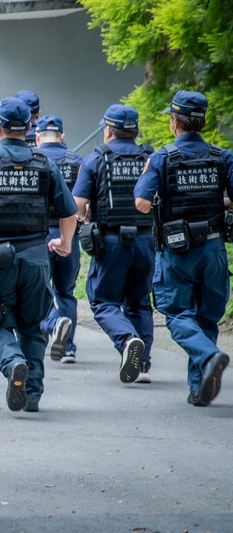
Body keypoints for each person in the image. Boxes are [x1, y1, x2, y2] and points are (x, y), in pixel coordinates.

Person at [0, 97, 77, 412]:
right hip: (36, 258)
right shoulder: (45, 164)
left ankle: (12, 363)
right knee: (32, 326)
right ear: (30, 128)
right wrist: (64, 243)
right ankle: (32, 394)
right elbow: (69, 212)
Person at [135, 90, 233, 406]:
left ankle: (209, 356)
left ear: (174, 122)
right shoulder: (223, 157)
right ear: (202, 121)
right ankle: (198, 388)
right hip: (214, 249)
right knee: (206, 317)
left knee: (177, 314)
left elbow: (141, 203)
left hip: (177, 251)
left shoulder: (162, 157)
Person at [72, 105, 155, 384]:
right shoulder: (151, 158)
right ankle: (143, 365)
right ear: (135, 130)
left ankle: (127, 340)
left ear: (108, 130)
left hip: (111, 242)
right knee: (140, 303)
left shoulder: (96, 160)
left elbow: (78, 204)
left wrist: (84, 219)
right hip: (145, 241)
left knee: (103, 302)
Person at [35, 115, 82, 364]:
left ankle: (52, 327)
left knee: (37, 291)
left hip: (38, 237)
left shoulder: (33, 160)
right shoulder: (77, 161)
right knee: (66, 292)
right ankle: (68, 348)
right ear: (62, 136)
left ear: (37, 137)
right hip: (68, 235)